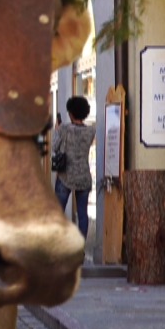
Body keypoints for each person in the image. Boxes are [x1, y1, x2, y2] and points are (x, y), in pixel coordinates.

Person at [52, 95, 96, 239]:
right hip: (83, 176)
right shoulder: (91, 131)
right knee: (83, 214)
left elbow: (54, 147)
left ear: (70, 113)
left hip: (66, 175)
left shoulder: (64, 129)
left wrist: (57, 130)